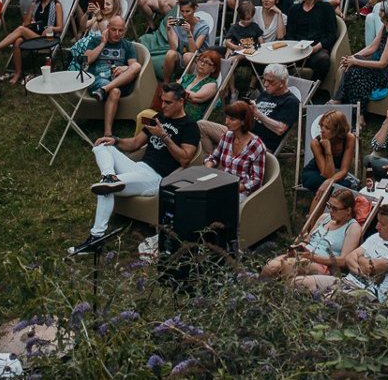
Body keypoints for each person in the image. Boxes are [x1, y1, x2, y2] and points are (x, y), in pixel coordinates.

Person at [73, 81, 199, 254]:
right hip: (138, 166)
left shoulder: (190, 126)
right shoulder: (160, 117)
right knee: (102, 147)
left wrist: (163, 136)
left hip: (155, 178)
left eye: (168, 103)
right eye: (162, 101)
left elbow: (185, 159)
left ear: (180, 102)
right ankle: (109, 175)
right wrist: (115, 140)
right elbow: (134, 143)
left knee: (106, 188)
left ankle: (96, 239)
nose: (163, 106)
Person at [292, 204, 388, 299]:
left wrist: (359, 259)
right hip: (347, 281)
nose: (377, 227)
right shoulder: (376, 237)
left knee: (328, 299)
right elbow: (349, 257)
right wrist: (362, 265)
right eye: (377, 222)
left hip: (369, 293)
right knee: (297, 282)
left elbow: (371, 268)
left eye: (382, 224)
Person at [263, 186, 364, 281]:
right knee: (271, 266)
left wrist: (313, 257)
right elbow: (306, 240)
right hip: (304, 256)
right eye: (329, 206)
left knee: (288, 265)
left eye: (335, 209)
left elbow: (343, 261)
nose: (331, 211)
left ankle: (280, 294)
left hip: (323, 265)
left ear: (348, 210)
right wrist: (297, 247)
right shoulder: (324, 218)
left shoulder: (353, 228)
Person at [69, 15, 144, 140]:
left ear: (124, 31)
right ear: (107, 28)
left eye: (120, 30)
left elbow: (134, 67)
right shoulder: (96, 40)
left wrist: (125, 68)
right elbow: (87, 60)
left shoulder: (127, 45)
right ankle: (108, 133)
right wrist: (103, 43)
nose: (117, 33)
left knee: (136, 66)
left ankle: (104, 90)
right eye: (114, 30)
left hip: (119, 80)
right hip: (98, 80)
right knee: (114, 91)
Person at [337, 0, 388, 105]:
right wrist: (351, 57)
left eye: (381, 10)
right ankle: (347, 105)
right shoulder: (385, 27)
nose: (378, 12)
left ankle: (339, 100)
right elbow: (372, 47)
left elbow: (383, 64)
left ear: (386, 14)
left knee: (354, 71)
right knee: (352, 67)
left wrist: (355, 61)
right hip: (381, 69)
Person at [0, 0, 61, 83]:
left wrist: (51, 28)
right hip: (34, 35)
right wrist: (31, 13)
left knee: (21, 30)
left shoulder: (56, 5)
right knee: (17, 42)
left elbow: (60, 27)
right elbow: (26, 23)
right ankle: (18, 73)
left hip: (48, 38)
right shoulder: (35, 4)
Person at [203, 101, 270, 195]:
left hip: (241, 192)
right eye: (226, 117)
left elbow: (256, 181)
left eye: (232, 119)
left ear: (243, 121)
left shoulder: (256, 146)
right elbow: (213, 157)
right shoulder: (227, 135)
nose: (226, 122)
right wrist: (208, 168)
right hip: (221, 183)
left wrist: (233, 188)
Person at [283, 0, 337, 82]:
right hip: (296, 50)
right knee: (277, 59)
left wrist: (315, 48)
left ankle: (311, 92)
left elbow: (331, 35)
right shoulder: (294, 9)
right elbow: (289, 34)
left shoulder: (326, 8)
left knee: (323, 60)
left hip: (316, 50)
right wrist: (295, 48)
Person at [300, 109, 360, 193]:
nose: (322, 130)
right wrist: (327, 149)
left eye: (327, 128)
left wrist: (330, 181)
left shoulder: (349, 139)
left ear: (337, 130)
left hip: (335, 174)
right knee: (335, 188)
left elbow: (344, 170)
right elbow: (327, 174)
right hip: (315, 172)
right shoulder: (316, 143)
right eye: (321, 126)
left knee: (336, 187)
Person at [158, 0, 210, 81]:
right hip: (181, 55)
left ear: (195, 9)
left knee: (188, 56)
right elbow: (173, 47)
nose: (184, 15)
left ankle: (187, 83)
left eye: (187, 11)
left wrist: (189, 33)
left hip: (198, 58)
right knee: (170, 53)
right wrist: (169, 30)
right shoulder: (178, 23)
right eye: (182, 11)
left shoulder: (203, 26)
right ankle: (165, 83)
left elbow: (194, 50)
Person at [249, 64, 301, 150]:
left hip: (260, 144)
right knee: (218, 128)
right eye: (264, 80)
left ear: (282, 83)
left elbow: (280, 129)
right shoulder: (266, 94)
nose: (265, 84)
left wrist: (258, 114)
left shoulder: (291, 101)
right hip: (243, 133)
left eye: (270, 81)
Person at [178, 48, 223, 120]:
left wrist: (177, 91)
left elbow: (195, 97)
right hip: (175, 112)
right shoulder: (187, 77)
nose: (202, 64)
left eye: (207, 63)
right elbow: (171, 89)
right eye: (200, 60)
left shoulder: (211, 84)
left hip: (190, 119)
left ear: (213, 69)